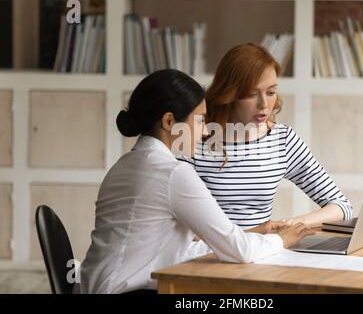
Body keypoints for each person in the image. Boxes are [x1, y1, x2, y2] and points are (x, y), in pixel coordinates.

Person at [79, 69, 312, 294]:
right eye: (200, 120)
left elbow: (180, 250)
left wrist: (254, 233)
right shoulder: (172, 173)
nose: (204, 132)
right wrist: (279, 241)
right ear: (169, 121)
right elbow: (239, 252)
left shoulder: (126, 164)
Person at [179, 44, 352, 230]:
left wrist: (291, 225)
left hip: (261, 252)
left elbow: (341, 206)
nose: (264, 104)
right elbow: (173, 222)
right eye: (252, 94)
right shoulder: (194, 137)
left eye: (271, 92)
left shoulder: (282, 139)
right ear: (229, 93)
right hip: (206, 254)